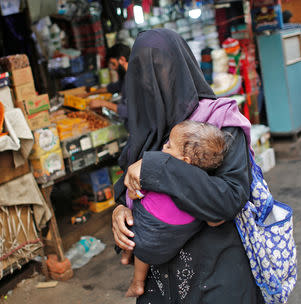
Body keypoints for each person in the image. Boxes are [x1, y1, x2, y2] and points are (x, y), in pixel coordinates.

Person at [112, 28, 264, 303]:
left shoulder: (218, 125)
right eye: (143, 73)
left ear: (181, 67)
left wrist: (155, 167)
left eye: (161, 68)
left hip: (217, 282)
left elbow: (228, 199)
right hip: (158, 288)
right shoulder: (145, 131)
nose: (153, 81)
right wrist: (120, 211)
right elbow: (128, 190)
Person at [123, 120, 228, 298]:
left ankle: (137, 281)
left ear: (184, 161)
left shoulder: (162, 175)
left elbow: (135, 194)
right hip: (176, 240)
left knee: (135, 233)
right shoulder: (203, 186)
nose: (164, 146)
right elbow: (214, 219)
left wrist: (134, 195)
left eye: (169, 145)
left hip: (151, 237)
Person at [84, 43, 130, 122]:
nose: (113, 68)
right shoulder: (126, 77)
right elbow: (111, 88)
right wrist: (87, 95)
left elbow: (129, 111)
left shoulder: (137, 79)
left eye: (113, 64)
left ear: (122, 60)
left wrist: (103, 103)